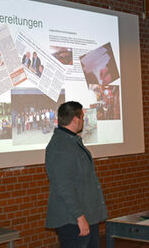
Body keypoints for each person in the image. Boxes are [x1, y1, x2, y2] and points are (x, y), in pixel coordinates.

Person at [45, 101, 107, 248]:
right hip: (72, 220)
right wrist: (80, 217)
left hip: (84, 216)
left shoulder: (71, 141)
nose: (84, 121)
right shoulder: (61, 146)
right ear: (75, 120)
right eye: (82, 117)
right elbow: (64, 186)